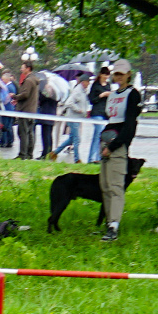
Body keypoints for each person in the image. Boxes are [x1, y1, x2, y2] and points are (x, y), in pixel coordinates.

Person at [96, 59, 140, 242]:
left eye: (122, 74)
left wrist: (114, 146)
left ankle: (114, 225)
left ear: (128, 74)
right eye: (116, 74)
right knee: (105, 186)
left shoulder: (133, 94)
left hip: (117, 145)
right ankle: (108, 223)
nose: (118, 77)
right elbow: (111, 119)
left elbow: (129, 126)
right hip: (106, 141)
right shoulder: (112, 94)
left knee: (115, 187)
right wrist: (104, 144)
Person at [59, 72, 90, 162]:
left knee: (71, 139)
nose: (88, 84)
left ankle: (54, 153)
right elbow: (69, 102)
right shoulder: (78, 91)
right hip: (73, 118)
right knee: (77, 139)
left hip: (78, 118)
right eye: (88, 82)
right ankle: (77, 159)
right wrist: (78, 109)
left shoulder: (83, 91)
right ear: (83, 82)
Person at [14, 62, 41, 159]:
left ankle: (23, 154)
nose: (21, 69)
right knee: (30, 133)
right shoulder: (34, 80)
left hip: (25, 110)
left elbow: (25, 94)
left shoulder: (29, 80)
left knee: (23, 133)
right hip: (32, 111)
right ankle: (29, 154)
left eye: (22, 68)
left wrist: (15, 97)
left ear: (28, 68)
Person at [86, 66, 110, 162]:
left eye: (108, 75)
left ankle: (97, 157)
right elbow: (91, 100)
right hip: (97, 113)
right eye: (105, 74)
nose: (106, 77)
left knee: (100, 136)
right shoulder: (95, 85)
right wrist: (101, 95)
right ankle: (93, 158)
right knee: (98, 134)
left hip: (105, 113)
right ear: (100, 74)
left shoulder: (108, 85)